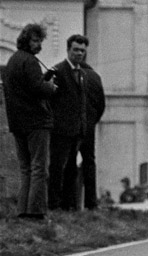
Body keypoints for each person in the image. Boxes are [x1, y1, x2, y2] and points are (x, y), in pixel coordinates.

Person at [1, 23, 58, 219]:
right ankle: (36, 212)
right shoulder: (30, 62)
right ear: (26, 40)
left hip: (17, 122)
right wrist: (50, 86)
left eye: (40, 41)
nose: (38, 45)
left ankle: (23, 211)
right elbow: (38, 88)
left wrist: (43, 81)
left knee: (25, 169)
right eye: (36, 41)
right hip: (36, 121)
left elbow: (25, 87)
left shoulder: (13, 61)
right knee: (39, 168)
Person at [48, 34, 90, 211]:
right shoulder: (57, 71)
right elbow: (48, 98)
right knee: (57, 168)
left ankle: (68, 205)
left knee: (72, 169)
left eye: (82, 50)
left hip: (76, 132)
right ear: (68, 50)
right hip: (60, 131)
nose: (79, 53)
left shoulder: (82, 73)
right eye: (76, 50)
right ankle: (54, 205)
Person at [63, 59, 105, 209]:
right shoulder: (95, 77)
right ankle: (91, 203)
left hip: (71, 126)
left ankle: (70, 203)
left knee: (69, 163)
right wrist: (92, 120)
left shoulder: (70, 75)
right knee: (89, 163)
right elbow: (101, 104)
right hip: (88, 127)